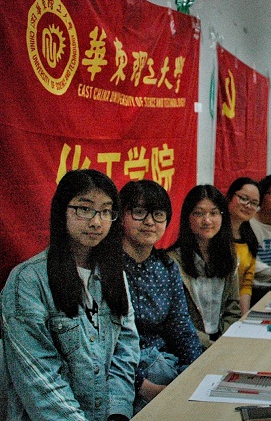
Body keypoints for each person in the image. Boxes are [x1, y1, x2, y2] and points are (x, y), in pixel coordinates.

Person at [1, 169, 139, 420]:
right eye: (84, 209)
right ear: (61, 211)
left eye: (106, 211)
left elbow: (126, 349)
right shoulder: (27, 281)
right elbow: (40, 379)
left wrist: (118, 413)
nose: (96, 222)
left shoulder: (114, 274)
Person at [119, 179, 203, 412]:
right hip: (122, 375)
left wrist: (192, 373)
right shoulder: (106, 268)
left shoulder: (166, 267)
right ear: (121, 216)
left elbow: (182, 327)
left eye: (158, 215)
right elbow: (105, 346)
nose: (149, 222)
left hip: (164, 365)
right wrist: (144, 386)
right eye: (139, 212)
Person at [167, 185, 241, 349]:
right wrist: (207, 344)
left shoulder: (230, 257)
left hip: (221, 341)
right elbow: (175, 319)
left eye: (213, 213)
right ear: (188, 217)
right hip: (188, 345)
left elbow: (233, 309)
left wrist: (222, 342)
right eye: (199, 213)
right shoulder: (172, 261)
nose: (207, 220)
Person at [225, 177, 261, 314]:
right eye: (244, 199)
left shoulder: (250, 239)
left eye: (254, 203)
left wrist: (243, 318)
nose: (248, 206)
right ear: (229, 197)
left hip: (235, 312)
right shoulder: (214, 235)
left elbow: (246, 284)